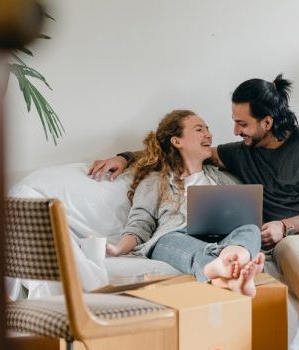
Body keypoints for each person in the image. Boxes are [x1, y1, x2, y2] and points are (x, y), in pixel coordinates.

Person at [89, 75, 299, 304]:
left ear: (267, 123)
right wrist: (125, 157)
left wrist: (283, 226)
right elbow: (169, 157)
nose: (232, 130)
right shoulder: (233, 154)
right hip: (297, 243)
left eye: (242, 124)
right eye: (233, 121)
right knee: (286, 252)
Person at [105, 109, 265, 297]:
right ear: (177, 141)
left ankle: (231, 266)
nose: (209, 135)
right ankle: (225, 270)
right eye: (199, 129)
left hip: (222, 240)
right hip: (176, 238)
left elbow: (246, 216)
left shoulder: (223, 178)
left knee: (250, 228)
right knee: (166, 239)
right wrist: (117, 249)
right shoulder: (155, 181)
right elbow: (140, 224)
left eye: (208, 129)